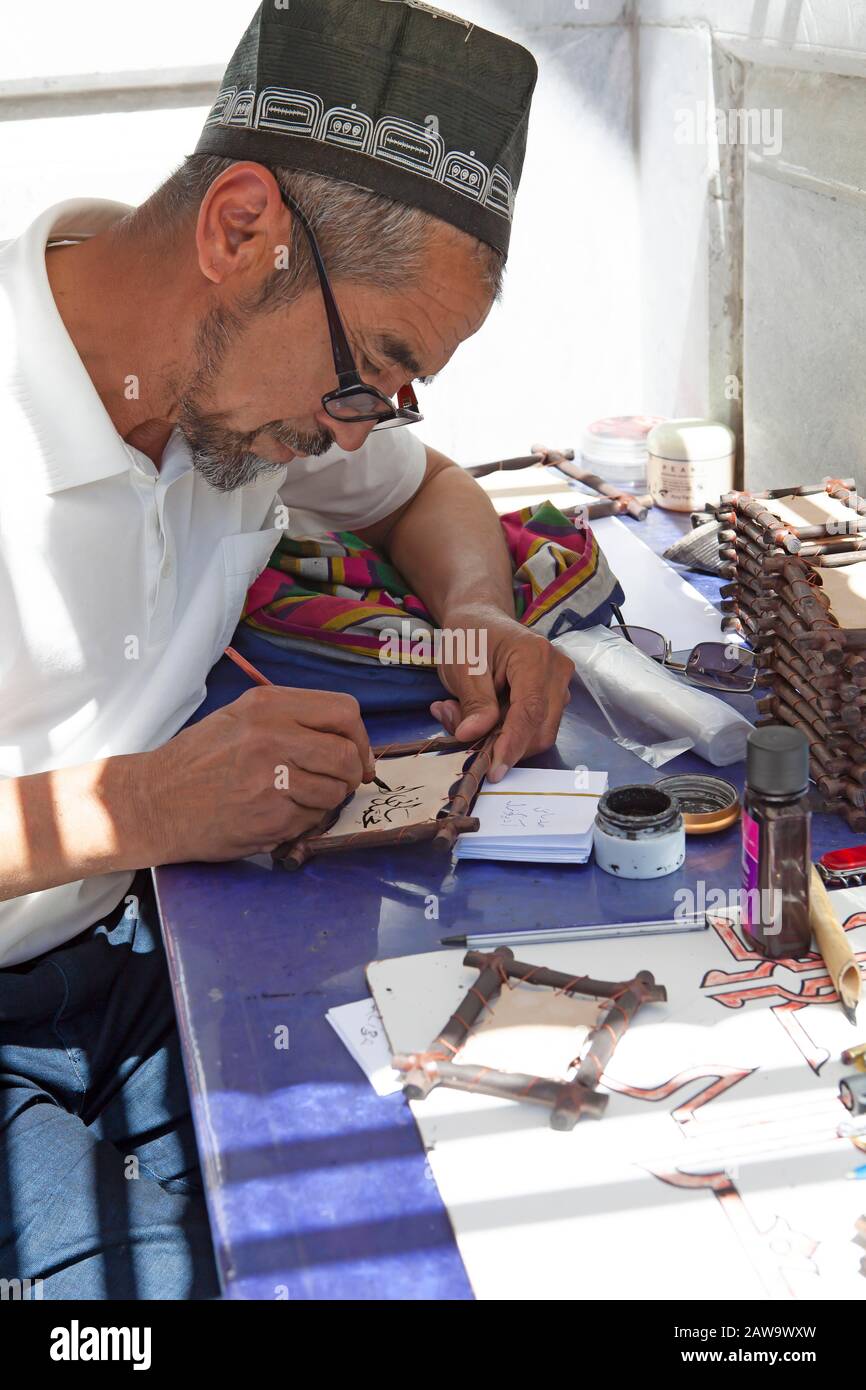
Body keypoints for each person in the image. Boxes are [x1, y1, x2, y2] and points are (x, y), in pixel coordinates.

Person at [0, 0, 571, 1297]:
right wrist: (143, 800)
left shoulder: (244, 394)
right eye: (367, 368)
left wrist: (478, 610)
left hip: (144, 954)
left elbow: (428, 494)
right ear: (240, 230)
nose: (350, 426)